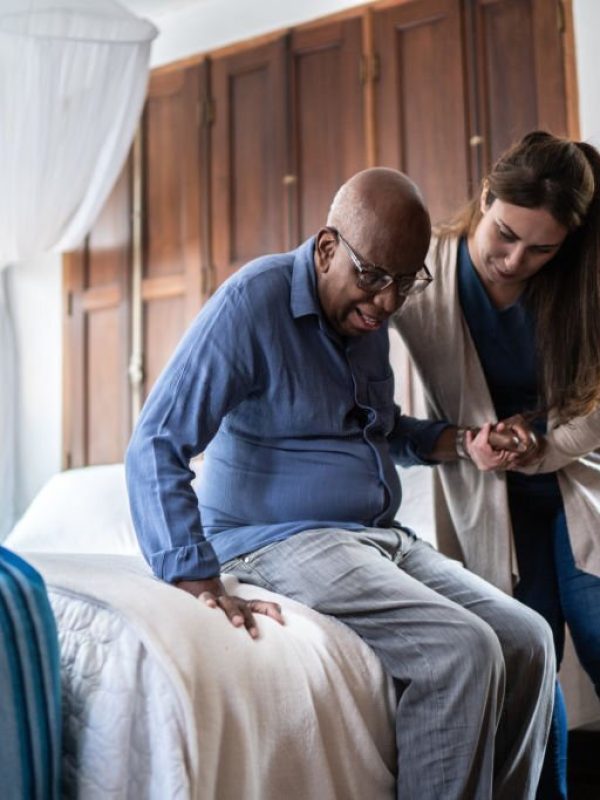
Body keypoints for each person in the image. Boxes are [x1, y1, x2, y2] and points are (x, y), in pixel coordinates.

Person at [126, 167, 555, 800]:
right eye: (374, 277)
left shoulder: (365, 324)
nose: (386, 302)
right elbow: (156, 442)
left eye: (405, 283)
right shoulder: (253, 304)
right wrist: (196, 576)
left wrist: (461, 441)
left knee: (527, 640)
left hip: (375, 535)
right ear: (328, 248)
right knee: (460, 653)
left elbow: (379, 430)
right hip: (276, 539)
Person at [393, 131, 600, 800]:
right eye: (506, 234)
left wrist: (538, 444)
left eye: (541, 248)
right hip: (488, 500)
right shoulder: (420, 278)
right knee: (527, 659)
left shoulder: (579, 285)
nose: (515, 260)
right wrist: (463, 440)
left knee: (595, 626)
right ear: (485, 196)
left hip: (571, 482)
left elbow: (593, 410)